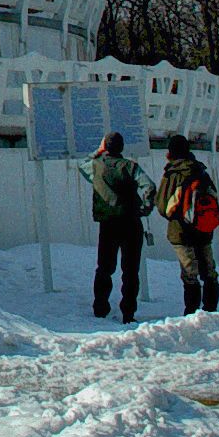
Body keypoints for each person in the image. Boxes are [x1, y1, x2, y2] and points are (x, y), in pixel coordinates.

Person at [80, 131, 156, 323]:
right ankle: (128, 313)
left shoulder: (96, 167)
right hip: (131, 222)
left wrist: (97, 152)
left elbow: (81, 165)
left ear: (105, 147)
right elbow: (149, 186)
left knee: (104, 268)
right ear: (122, 148)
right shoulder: (130, 167)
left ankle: (100, 308)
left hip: (108, 224)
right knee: (130, 270)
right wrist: (145, 208)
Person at [157, 132, 219, 314]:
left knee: (189, 272)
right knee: (209, 270)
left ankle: (192, 310)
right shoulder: (201, 171)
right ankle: (211, 308)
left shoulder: (172, 174)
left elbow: (163, 206)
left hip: (180, 231)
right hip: (203, 228)